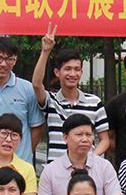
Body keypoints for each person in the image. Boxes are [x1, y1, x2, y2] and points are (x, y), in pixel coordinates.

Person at [32, 26, 112, 163]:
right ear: (57, 73)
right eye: (67, 69)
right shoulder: (50, 101)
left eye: (77, 69)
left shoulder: (94, 102)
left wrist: (89, 160)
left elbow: (105, 140)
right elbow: (36, 84)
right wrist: (45, 51)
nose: (72, 74)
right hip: (56, 168)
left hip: (86, 170)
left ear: (81, 72)